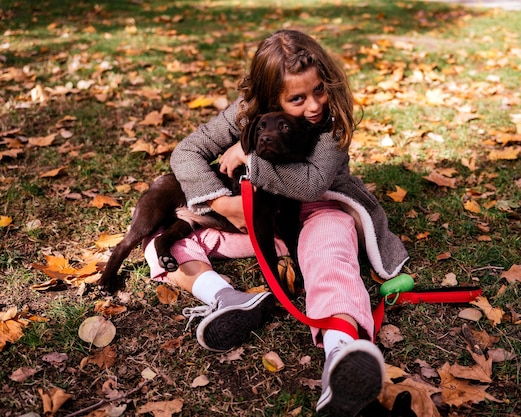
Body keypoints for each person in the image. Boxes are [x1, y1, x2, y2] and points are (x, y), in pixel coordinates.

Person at [143, 29, 409, 417]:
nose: (314, 104)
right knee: (162, 242)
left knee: (331, 241)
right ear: (270, 100)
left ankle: (341, 348)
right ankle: (227, 298)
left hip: (313, 213)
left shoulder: (327, 124)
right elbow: (186, 151)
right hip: (259, 223)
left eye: (319, 90)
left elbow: (313, 183)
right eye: (297, 99)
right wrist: (220, 202)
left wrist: (249, 155)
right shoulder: (245, 113)